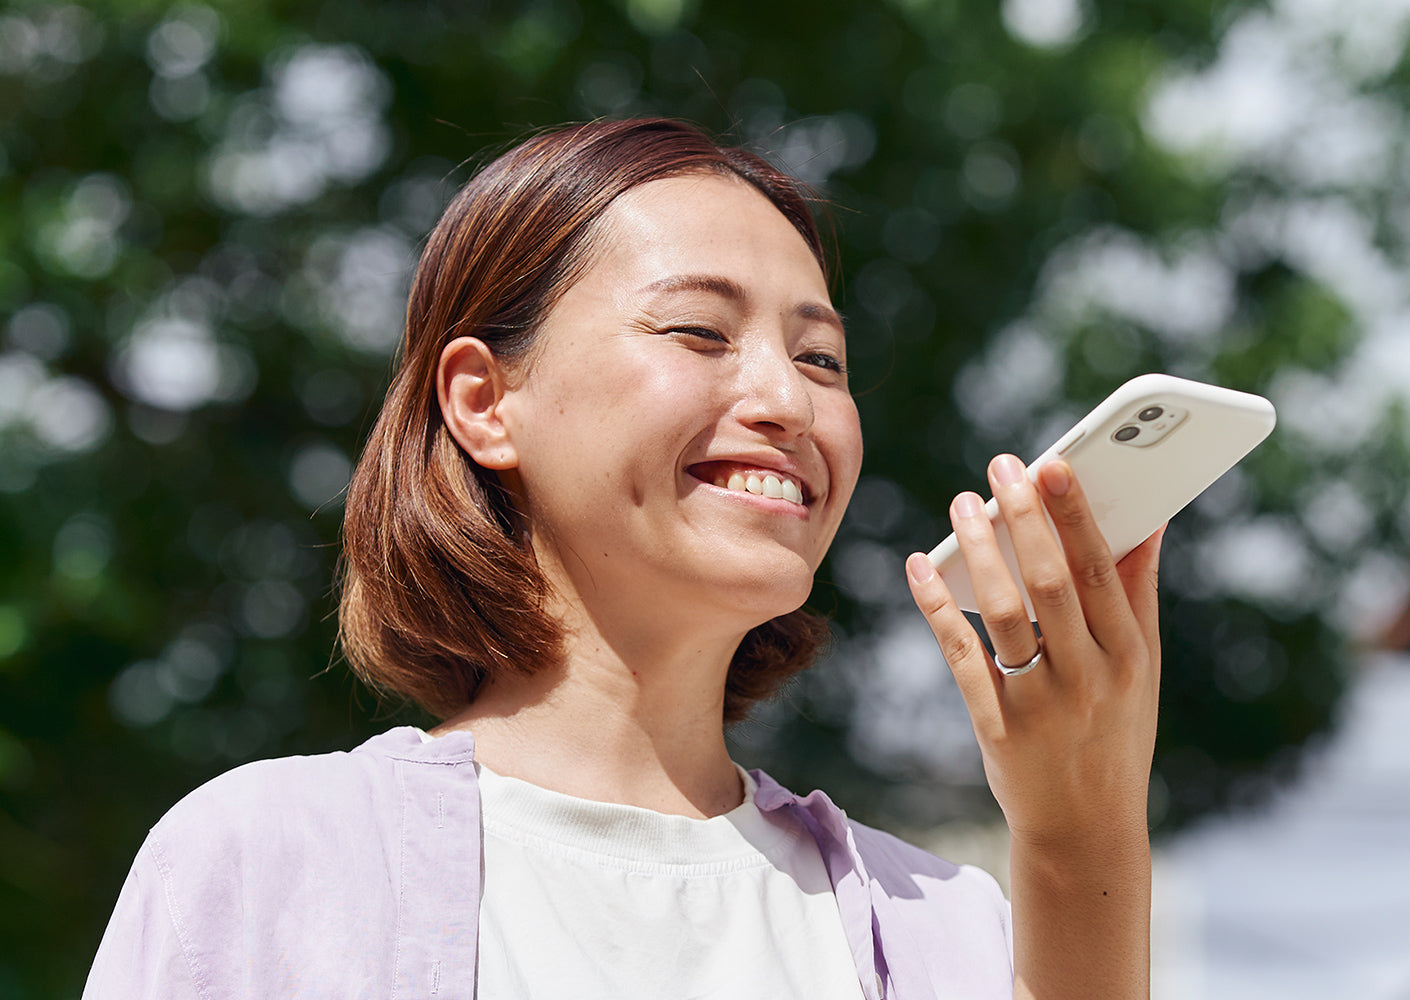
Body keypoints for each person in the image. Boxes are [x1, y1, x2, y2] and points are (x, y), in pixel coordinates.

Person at [84, 118, 1163, 999]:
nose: (787, 401)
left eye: (821, 356)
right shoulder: (272, 864)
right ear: (483, 401)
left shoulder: (946, 932)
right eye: (699, 332)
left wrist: (1085, 838)